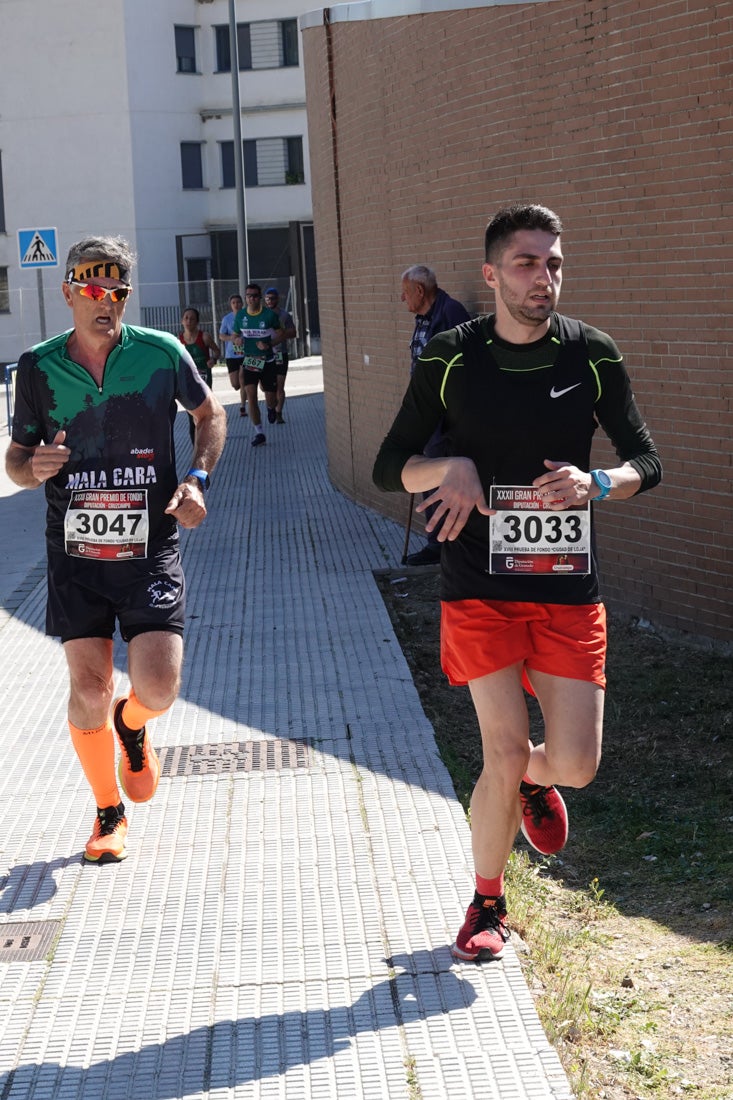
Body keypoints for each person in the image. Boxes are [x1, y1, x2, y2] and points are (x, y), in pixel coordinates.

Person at [374, 204, 662, 962]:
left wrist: (598, 481)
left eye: (554, 263)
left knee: (575, 764)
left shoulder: (591, 354)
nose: (544, 277)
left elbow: (647, 462)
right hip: (477, 583)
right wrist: (450, 468)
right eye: (528, 263)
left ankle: (538, 780)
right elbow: (389, 465)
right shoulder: (448, 356)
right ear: (492, 274)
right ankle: (485, 903)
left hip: (567, 589)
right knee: (498, 752)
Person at [6, 235, 227, 864]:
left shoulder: (161, 354)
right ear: (69, 291)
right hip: (74, 555)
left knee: (158, 686)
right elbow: (16, 460)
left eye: (119, 291)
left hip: (149, 545)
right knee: (89, 686)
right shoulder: (38, 366)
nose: (108, 302)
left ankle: (133, 726)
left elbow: (211, 416)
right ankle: (107, 810)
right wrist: (33, 467)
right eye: (95, 290)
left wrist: (197, 479)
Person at [400, 265, 470, 566]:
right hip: (425, 413)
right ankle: (437, 542)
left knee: (438, 474)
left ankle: (444, 544)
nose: (403, 300)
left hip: (446, 416)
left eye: (405, 293)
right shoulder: (424, 318)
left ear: (419, 290)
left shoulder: (451, 314)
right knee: (426, 472)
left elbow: (465, 366)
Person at [232, 283, 283, 447]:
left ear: (259, 298)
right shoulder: (240, 316)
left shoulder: (269, 315)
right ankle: (259, 432)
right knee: (251, 396)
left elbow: (281, 334)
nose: (251, 298)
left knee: (271, 398)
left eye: (254, 296)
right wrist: (237, 339)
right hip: (250, 360)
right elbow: (234, 335)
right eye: (248, 296)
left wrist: (269, 344)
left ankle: (270, 408)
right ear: (245, 297)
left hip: (267, 360)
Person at [179, 307, 220, 442]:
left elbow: (217, 351)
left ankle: (208, 441)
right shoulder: (178, 341)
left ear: (197, 322)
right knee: (191, 417)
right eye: (186, 318)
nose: (189, 321)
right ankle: (195, 449)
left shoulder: (205, 337)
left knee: (204, 415)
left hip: (204, 382)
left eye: (192, 319)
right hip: (188, 383)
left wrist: (213, 360)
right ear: (182, 321)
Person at [264, 287, 297, 424]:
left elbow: (293, 333)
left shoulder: (284, 316)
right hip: (264, 354)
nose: (270, 301)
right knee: (265, 387)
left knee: (280, 386)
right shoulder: (261, 315)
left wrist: (281, 333)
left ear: (277, 299)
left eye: (272, 298)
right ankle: (271, 407)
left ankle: (278, 413)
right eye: (267, 298)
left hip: (280, 354)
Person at [219, 293, 246, 416]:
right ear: (231, 305)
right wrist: (232, 338)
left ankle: (243, 406)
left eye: (238, 302)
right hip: (232, 354)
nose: (236, 304)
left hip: (246, 353)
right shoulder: (227, 319)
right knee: (236, 384)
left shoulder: (247, 316)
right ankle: (242, 391)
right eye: (234, 303)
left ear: (242, 304)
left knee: (243, 379)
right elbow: (221, 335)